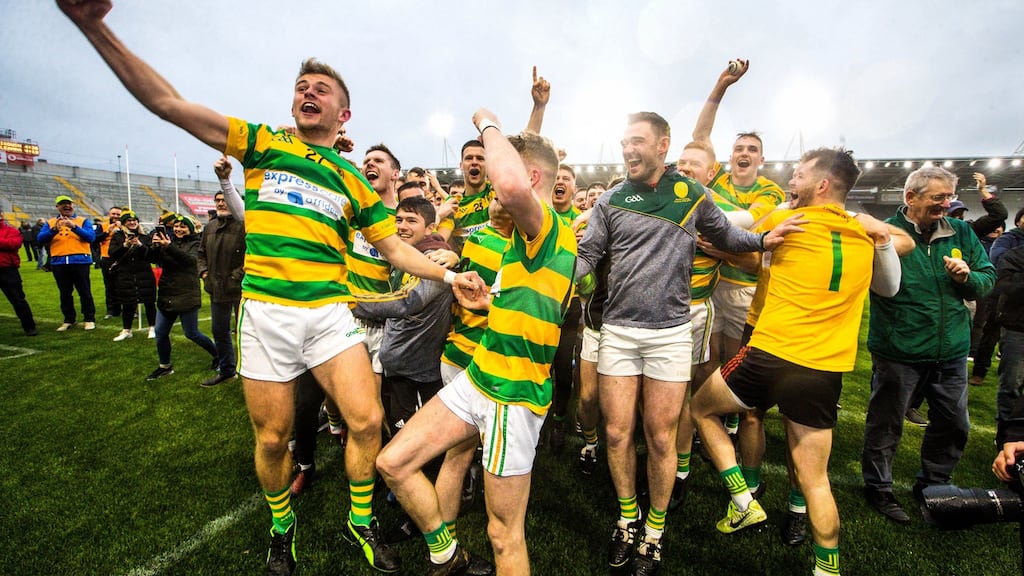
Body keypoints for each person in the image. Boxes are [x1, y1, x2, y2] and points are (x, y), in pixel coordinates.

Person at [57, 5, 485, 574]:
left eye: (322, 88)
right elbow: (168, 105)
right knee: (272, 439)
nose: (308, 92)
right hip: (267, 315)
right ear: (293, 104)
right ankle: (281, 529)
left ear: (343, 111)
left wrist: (451, 274)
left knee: (365, 422)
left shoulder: (354, 178)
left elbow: (396, 250)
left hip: (331, 314)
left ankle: (360, 520)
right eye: (301, 86)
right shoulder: (262, 144)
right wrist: (93, 26)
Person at [574, 111, 800, 575]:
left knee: (660, 436)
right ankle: (626, 519)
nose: (627, 149)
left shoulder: (692, 194)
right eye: (624, 141)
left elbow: (725, 234)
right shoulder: (611, 199)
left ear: (663, 145)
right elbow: (589, 256)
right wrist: (549, 276)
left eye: (637, 140)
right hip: (618, 331)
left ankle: (654, 534)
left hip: (672, 334)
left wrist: (762, 238)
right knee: (618, 433)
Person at [692, 148, 909, 576]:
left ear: (822, 185)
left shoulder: (786, 221)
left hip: (771, 352)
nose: (791, 179)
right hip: (824, 368)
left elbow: (738, 233)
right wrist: (882, 233)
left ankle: (742, 500)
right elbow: (902, 249)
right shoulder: (867, 234)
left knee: (700, 408)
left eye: (800, 173)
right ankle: (827, 568)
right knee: (817, 480)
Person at [377, 117, 576, 576]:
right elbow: (534, 306)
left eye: (496, 172)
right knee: (394, 461)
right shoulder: (525, 240)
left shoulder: (545, 225)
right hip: (479, 376)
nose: (490, 184)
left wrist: (487, 121)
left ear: (530, 178)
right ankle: (447, 556)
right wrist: (489, 302)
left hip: (513, 395)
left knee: (504, 535)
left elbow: (507, 183)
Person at [862, 165, 996, 525]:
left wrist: (969, 276)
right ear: (911, 198)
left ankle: (935, 483)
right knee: (886, 423)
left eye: (948, 197)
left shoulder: (963, 232)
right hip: (899, 349)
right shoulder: (885, 233)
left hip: (951, 349)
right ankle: (878, 486)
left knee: (954, 423)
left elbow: (987, 280)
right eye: (937, 198)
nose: (945, 204)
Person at [353, 197, 453, 436]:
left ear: (430, 227)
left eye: (411, 220)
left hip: (419, 370)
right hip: (401, 366)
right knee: (397, 429)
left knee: (420, 436)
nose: (402, 226)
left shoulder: (433, 259)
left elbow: (404, 303)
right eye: (398, 220)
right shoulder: (406, 255)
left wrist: (349, 302)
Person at [143, 215, 218, 379]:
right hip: (167, 293)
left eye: (183, 226)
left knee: (192, 333)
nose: (178, 229)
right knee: (160, 332)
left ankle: (218, 355)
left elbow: (189, 261)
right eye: (176, 226)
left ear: (190, 229)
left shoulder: (196, 243)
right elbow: (152, 258)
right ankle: (165, 366)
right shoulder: (168, 241)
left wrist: (168, 246)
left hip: (186, 294)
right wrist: (151, 246)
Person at [198, 165, 246, 388]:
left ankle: (250, 372)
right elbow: (200, 254)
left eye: (224, 199)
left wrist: (235, 277)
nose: (220, 203)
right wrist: (204, 272)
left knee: (246, 332)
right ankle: (227, 370)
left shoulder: (244, 225)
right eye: (217, 200)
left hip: (240, 288)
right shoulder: (210, 227)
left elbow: (250, 255)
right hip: (216, 288)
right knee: (220, 330)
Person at [36, 195, 97, 331]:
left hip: (80, 261)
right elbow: (40, 240)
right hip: (59, 262)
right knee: (65, 293)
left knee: (84, 292)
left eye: (68, 204)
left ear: (73, 206)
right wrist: (54, 230)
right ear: (57, 207)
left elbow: (91, 238)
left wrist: (74, 227)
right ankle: (69, 319)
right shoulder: (51, 222)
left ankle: (89, 318)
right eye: (63, 204)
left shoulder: (83, 221)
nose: (66, 206)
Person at [107, 210, 157, 341]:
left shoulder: (145, 237)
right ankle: (127, 330)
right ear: (124, 223)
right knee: (127, 303)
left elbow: (151, 256)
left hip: (144, 273)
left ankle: (153, 327)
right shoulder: (117, 236)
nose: (132, 222)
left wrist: (140, 245)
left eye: (134, 220)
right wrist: (125, 245)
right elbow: (112, 253)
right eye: (129, 221)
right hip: (125, 274)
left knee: (149, 301)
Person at [993, 241, 1024, 445]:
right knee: (1011, 386)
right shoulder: (1014, 256)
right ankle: (1005, 438)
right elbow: (1004, 286)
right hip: (1017, 329)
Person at [0, 210, 38, 336]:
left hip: (7, 269)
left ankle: (29, 326)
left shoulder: (11, 230)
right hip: (7, 268)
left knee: (18, 299)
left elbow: (14, 244)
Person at [98, 206, 123, 319]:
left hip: (122, 258)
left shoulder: (125, 225)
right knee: (109, 285)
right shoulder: (102, 226)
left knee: (124, 285)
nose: (116, 216)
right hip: (107, 258)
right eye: (114, 214)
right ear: (109, 214)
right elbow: (95, 239)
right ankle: (112, 310)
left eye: (118, 214)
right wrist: (108, 231)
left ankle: (129, 308)